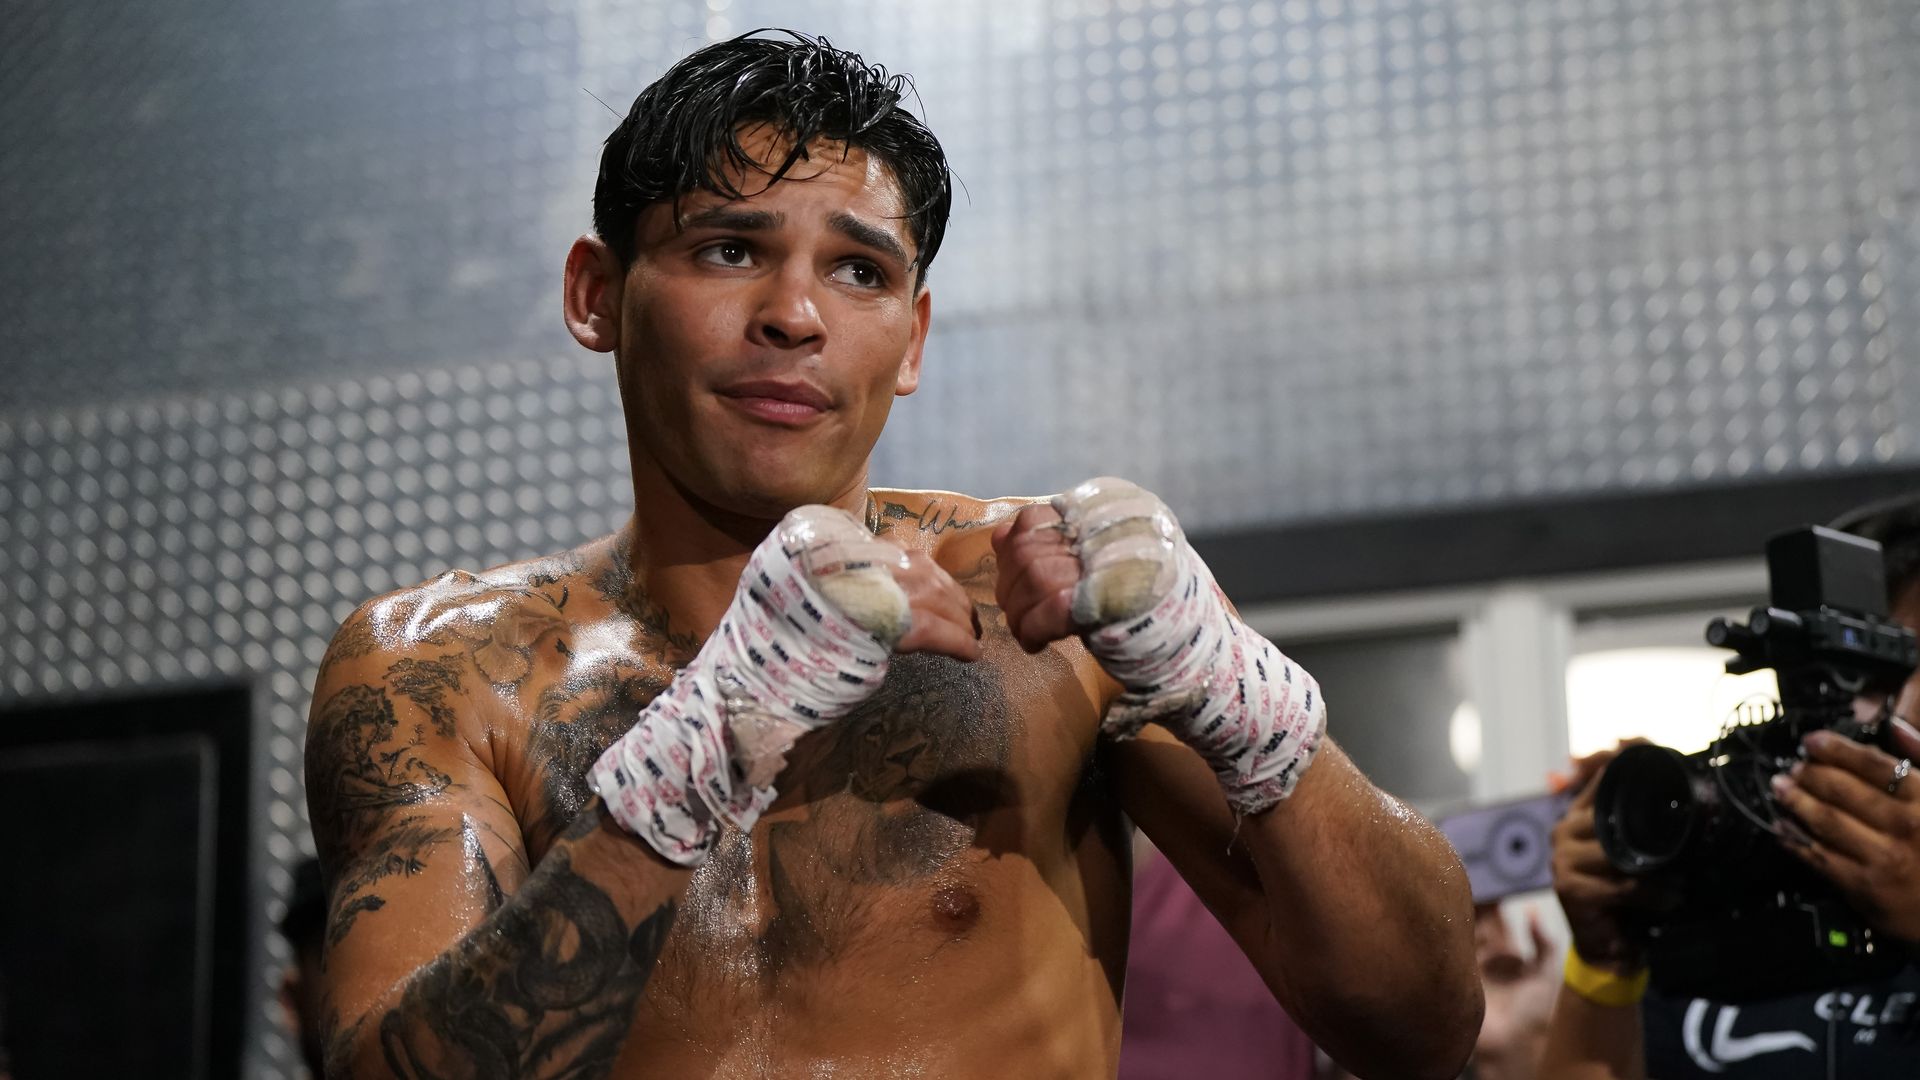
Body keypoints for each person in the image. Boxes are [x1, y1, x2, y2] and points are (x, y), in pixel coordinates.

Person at [304, 30, 1480, 1078]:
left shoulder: (1048, 613)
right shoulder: (444, 671)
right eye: (727, 250)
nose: (795, 315)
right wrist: (707, 741)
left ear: (911, 337)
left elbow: (1421, 1029)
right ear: (596, 293)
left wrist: (1235, 690)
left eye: (859, 270)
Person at [1540, 496, 1920, 1079]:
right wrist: (1602, 962)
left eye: (1893, 676)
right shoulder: (1714, 884)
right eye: (1852, 678)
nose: (1866, 715)